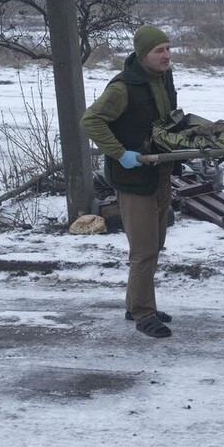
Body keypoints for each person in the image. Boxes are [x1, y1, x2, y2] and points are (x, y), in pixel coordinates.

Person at [81, 25, 177, 339]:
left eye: (167, 48)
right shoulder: (123, 87)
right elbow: (90, 121)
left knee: (155, 244)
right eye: (158, 51)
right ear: (142, 54)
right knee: (144, 249)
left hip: (159, 172)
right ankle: (144, 314)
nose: (166, 56)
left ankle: (135, 302)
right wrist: (120, 153)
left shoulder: (163, 79)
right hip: (133, 179)